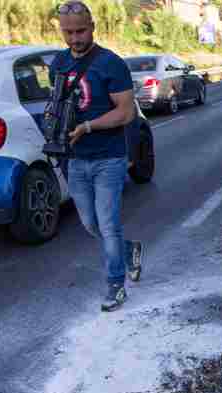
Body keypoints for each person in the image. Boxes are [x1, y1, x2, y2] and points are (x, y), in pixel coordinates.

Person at [51, 1, 141, 311]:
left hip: (109, 158)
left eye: (80, 30)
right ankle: (129, 252)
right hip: (76, 160)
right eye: (68, 32)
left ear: (92, 26)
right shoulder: (58, 63)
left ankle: (116, 285)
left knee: (108, 224)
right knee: (90, 224)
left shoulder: (110, 63)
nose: (75, 38)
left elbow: (126, 112)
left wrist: (87, 126)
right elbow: (59, 105)